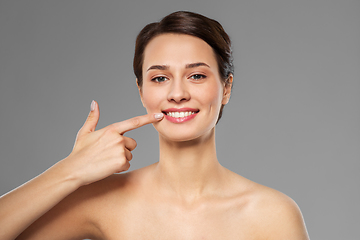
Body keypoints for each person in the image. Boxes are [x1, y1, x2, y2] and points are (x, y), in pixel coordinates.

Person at [0, 11, 309, 239]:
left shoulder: (273, 215)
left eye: (197, 75)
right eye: (160, 78)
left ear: (226, 88)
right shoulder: (103, 202)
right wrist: (71, 170)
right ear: (141, 91)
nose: (177, 93)